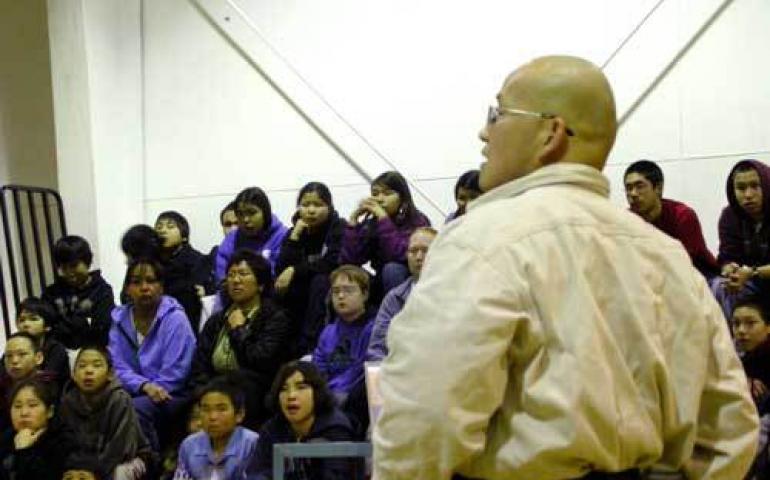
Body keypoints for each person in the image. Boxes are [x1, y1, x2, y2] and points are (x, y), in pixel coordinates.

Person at [373, 55, 758, 480]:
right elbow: (730, 428)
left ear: (551, 133)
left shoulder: (480, 241)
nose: (484, 132)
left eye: (497, 114)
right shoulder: (666, 256)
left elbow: (424, 417)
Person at [190, 249, 292, 428]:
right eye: (231, 275)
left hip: (255, 390)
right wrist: (203, 393)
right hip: (215, 389)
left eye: (243, 274)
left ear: (260, 284)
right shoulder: (217, 320)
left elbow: (259, 360)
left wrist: (239, 329)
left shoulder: (275, 317)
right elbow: (200, 365)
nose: (235, 280)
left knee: (242, 382)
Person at [109, 257, 196, 451]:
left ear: (161, 287)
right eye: (136, 282)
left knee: (135, 408)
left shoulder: (175, 318)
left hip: (172, 392)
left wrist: (151, 388)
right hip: (136, 390)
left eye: (151, 281)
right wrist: (143, 386)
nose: (144, 287)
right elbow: (116, 366)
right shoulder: (119, 319)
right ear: (127, 289)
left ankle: (149, 463)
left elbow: (176, 373)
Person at [59, 345, 154, 480]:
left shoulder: (119, 399)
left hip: (127, 459)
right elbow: (66, 444)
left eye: (96, 366)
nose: (89, 371)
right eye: (82, 366)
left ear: (110, 374)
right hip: (84, 463)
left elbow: (120, 448)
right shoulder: (68, 401)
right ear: (73, 375)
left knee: (119, 475)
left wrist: (95, 473)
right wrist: (76, 471)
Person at [254, 361, 359, 480]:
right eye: (284, 389)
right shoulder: (271, 429)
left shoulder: (336, 429)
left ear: (317, 392)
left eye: (301, 387)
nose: (291, 395)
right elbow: (258, 472)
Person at [275, 182, 346, 356]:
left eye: (318, 205)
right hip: (301, 289)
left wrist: (295, 270)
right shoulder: (295, 231)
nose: (311, 210)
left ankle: (311, 344)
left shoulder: (338, 228)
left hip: (328, 285)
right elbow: (281, 268)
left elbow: (332, 262)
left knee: (319, 281)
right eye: (305, 205)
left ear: (329, 207)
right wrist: (294, 237)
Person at [341, 171, 431, 302]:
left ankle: (399, 316)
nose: (380, 198)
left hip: (409, 278)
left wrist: (383, 218)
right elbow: (350, 261)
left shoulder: (417, 220)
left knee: (392, 269)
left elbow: (399, 254)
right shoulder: (372, 222)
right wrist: (353, 223)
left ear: (402, 197)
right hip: (380, 279)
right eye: (375, 194)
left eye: (388, 193)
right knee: (345, 274)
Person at [624, 160, 718, 278]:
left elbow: (687, 263)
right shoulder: (626, 220)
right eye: (628, 188)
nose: (633, 193)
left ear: (658, 188)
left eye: (639, 186)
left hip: (699, 278)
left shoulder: (682, 215)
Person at [313, 265, 375, 432]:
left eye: (348, 290)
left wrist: (336, 393)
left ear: (365, 294)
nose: (340, 296)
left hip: (355, 399)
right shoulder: (327, 332)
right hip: (328, 397)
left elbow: (362, 371)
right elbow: (318, 369)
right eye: (335, 291)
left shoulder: (373, 329)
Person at [367, 227, 437, 361]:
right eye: (413, 251)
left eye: (426, 250)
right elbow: (377, 349)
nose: (419, 257)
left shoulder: (456, 294)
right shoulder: (394, 298)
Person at [713, 159, 770, 321]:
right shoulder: (729, 216)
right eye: (741, 188)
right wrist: (729, 269)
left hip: (759, 276)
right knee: (721, 286)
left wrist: (753, 272)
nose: (748, 195)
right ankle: (734, 342)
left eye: (754, 186)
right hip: (750, 281)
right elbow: (727, 256)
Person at [174, 377, 260, 479]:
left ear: (239, 414)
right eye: (206, 409)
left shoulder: (252, 444)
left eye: (221, 409)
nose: (212, 417)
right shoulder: (189, 445)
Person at [42, 235, 115, 348]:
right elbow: (46, 327)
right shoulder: (51, 293)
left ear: (87, 262)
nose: (69, 272)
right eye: (64, 268)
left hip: (94, 351)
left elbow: (103, 330)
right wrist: (82, 323)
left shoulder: (102, 291)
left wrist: (64, 324)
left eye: (74, 265)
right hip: (59, 352)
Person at [0, 377, 77, 480]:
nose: (24, 413)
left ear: (50, 411)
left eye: (32, 405)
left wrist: (24, 451)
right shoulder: (6, 438)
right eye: (17, 406)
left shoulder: (64, 443)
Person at [155, 210, 214, 333]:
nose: (162, 230)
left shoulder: (199, 261)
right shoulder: (149, 262)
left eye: (170, 226)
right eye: (158, 227)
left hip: (187, 329)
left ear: (184, 236)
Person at [215, 187, 288, 281]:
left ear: (265, 213)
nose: (246, 219)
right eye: (240, 214)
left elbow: (278, 275)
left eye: (251, 213)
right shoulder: (232, 238)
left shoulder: (282, 236)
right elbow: (222, 276)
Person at [11, 297, 70, 390]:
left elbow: (47, 380)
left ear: (47, 326)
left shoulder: (56, 349)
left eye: (33, 319)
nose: (26, 324)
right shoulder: (12, 347)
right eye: (21, 320)